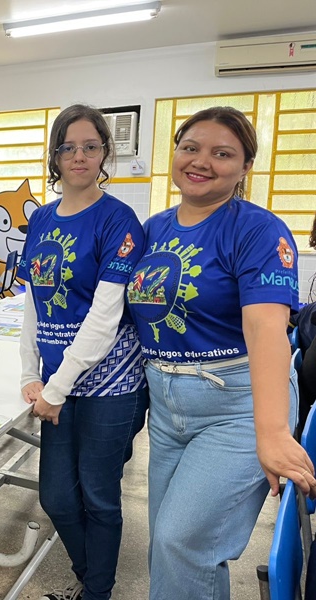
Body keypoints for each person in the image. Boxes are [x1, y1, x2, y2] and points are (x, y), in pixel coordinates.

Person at [125, 106, 314, 600]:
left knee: (180, 540)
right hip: (166, 406)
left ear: (245, 167)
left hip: (236, 403)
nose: (201, 161)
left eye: (222, 153)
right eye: (191, 147)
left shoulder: (257, 230)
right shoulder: (154, 228)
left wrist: (271, 432)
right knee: (173, 546)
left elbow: (268, 330)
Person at [18, 104, 149, 600]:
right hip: (56, 383)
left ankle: (96, 591)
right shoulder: (43, 219)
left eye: (90, 146)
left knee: (98, 497)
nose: (79, 156)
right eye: (68, 147)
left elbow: (105, 316)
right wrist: (30, 373)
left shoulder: (118, 220)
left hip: (110, 385)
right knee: (55, 497)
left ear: (104, 153)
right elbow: (31, 302)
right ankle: (91, 577)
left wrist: (55, 385)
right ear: (55, 156)